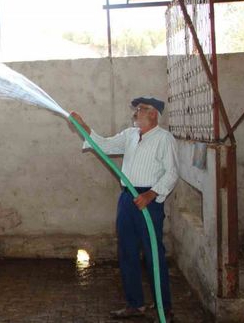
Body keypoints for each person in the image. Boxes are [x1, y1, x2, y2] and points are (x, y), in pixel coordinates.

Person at [70, 96, 178, 322]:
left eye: (141, 109)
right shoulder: (130, 135)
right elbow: (106, 146)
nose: (136, 112)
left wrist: (150, 194)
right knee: (127, 252)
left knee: (153, 255)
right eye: (137, 109)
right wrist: (85, 127)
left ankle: (164, 308)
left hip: (149, 200)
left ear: (153, 114)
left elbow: (171, 173)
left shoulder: (164, 139)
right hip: (128, 199)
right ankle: (134, 304)